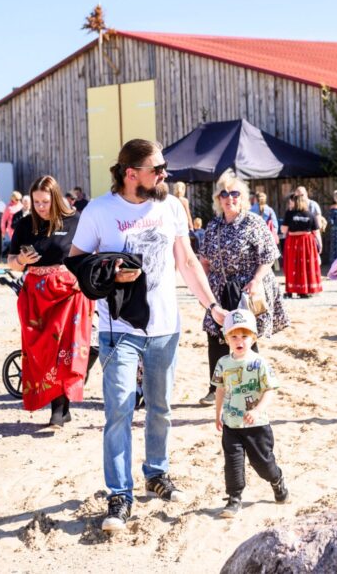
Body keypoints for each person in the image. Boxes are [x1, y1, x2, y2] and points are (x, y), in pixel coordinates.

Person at [69, 138, 227, 533]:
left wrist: (212, 307)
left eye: (164, 168)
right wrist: (110, 271)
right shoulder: (100, 212)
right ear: (130, 174)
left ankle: (157, 474)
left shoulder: (170, 206)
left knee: (160, 408)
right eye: (157, 169)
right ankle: (120, 495)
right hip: (117, 326)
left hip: (164, 327)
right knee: (118, 410)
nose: (164, 175)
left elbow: (187, 261)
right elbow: (76, 261)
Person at [7, 175, 93, 427]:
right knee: (42, 351)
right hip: (36, 295)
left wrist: (83, 277)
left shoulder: (76, 221)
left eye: (45, 202)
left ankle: (59, 407)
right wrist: (23, 261)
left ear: (55, 199)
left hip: (69, 293)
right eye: (36, 202)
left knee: (64, 350)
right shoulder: (24, 224)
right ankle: (59, 404)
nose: (40, 207)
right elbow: (11, 262)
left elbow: (91, 253)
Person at [198, 171, 288, 405]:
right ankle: (214, 387)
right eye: (224, 194)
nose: (230, 198)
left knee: (245, 336)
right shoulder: (213, 225)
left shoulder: (253, 222)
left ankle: (254, 384)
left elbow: (268, 257)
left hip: (245, 289)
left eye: (235, 193)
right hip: (219, 289)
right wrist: (204, 288)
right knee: (215, 334)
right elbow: (204, 260)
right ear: (218, 199)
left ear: (243, 197)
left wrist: (255, 281)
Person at [212, 308, 288, 518]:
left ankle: (276, 479)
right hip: (232, 424)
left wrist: (257, 410)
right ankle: (234, 498)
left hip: (257, 426)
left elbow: (270, 390)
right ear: (226, 338)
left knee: (262, 463)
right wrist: (218, 413)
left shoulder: (259, 363)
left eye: (245, 336)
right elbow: (220, 389)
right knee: (233, 463)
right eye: (234, 336)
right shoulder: (223, 364)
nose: (240, 340)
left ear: (253, 337)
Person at [281, 192, 322, 298]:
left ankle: (291, 290)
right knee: (305, 266)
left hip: (293, 242)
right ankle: (304, 291)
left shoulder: (289, 213)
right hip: (307, 242)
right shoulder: (310, 214)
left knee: (292, 266)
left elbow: (283, 229)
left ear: (294, 202)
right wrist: (320, 245)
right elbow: (316, 231)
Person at [0, 190, 23, 257]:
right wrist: (3, 231)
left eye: (20, 199)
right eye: (17, 199)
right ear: (13, 198)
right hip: (12, 229)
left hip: (21, 228)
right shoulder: (9, 207)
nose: (18, 200)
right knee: (16, 244)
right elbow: (3, 220)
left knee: (23, 244)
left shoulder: (21, 206)